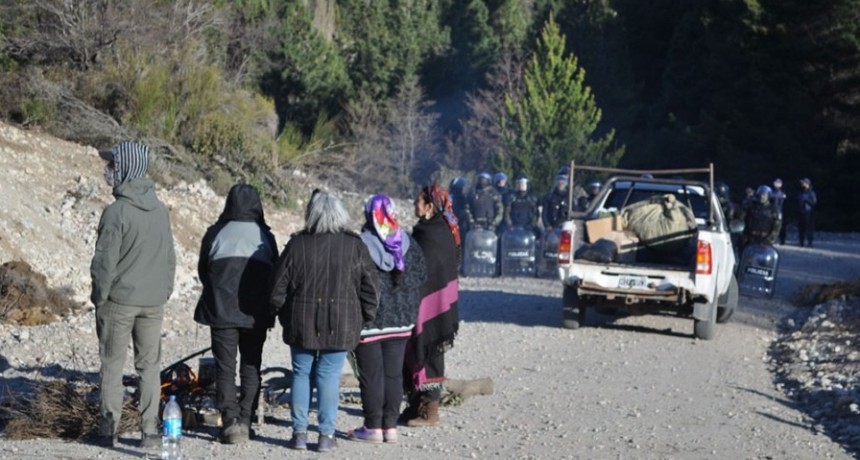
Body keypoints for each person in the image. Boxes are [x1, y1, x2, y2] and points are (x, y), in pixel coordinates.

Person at [269, 190, 379, 453]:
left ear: (312, 214)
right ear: (339, 214)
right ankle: (326, 436)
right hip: (342, 324)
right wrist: (364, 317)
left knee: (301, 373)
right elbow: (371, 288)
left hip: (300, 322)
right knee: (329, 375)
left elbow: (276, 290)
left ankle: (298, 435)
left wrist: (285, 315)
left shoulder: (297, 245)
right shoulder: (354, 246)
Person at [90, 141, 176, 449]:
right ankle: (150, 432)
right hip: (153, 302)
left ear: (125, 168)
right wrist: (163, 291)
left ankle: (107, 431)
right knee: (149, 367)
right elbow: (170, 259)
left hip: (119, 302)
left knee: (112, 365)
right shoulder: (161, 212)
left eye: (113, 164)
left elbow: (104, 263)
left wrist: (99, 297)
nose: (108, 169)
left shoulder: (116, 212)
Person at [194, 183, 277, 444]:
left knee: (225, 368)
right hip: (255, 315)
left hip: (221, 311)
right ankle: (246, 420)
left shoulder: (216, 232)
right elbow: (276, 275)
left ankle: (230, 423)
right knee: (251, 367)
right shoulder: (265, 236)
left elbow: (202, 271)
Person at [348, 195, 428, 444]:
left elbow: (351, 281)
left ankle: (373, 427)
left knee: (371, 375)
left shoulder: (360, 245)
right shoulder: (409, 243)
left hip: (370, 321)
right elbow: (422, 275)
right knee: (393, 374)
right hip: (402, 321)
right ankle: (390, 427)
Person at [400, 183, 460, 427]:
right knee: (415, 350)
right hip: (430, 302)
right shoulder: (434, 230)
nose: (415, 205)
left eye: (418, 201)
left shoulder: (432, 234)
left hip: (432, 305)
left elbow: (422, 269)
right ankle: (415, 403)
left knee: (431, 351)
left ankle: (430, 408)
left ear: (429, 206)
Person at [742, 185, 778, 251]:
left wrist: (771, 238)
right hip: (751, 238)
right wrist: (746, 236)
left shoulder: (772, 209)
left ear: (768, 196)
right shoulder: (752, 207)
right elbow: (745, 220)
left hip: (766, 239)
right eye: (760, 195)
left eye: (764, 195)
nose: (762, 197)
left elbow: (776, 225)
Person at [797, 178, 817, 247]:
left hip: (809, 212)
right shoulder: (800, 192)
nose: (802, 184)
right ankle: (801, 241)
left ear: (808, 184)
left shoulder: (811, 192)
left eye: (804, 183)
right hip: (801, 212)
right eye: (802, 183)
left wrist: (806, 200)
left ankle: (810, 242)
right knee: (801, 228)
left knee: (809, 228)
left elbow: (814, 202)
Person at [772, 178, 787, 245]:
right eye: (776, 183)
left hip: (780, 211)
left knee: (780, 226)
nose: (776, 185)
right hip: (773, 211)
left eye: (778, 183)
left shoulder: (782, 193)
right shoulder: (772, 192)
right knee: (773, 225)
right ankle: (773, 239)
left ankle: (782, 240)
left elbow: (784, 204)